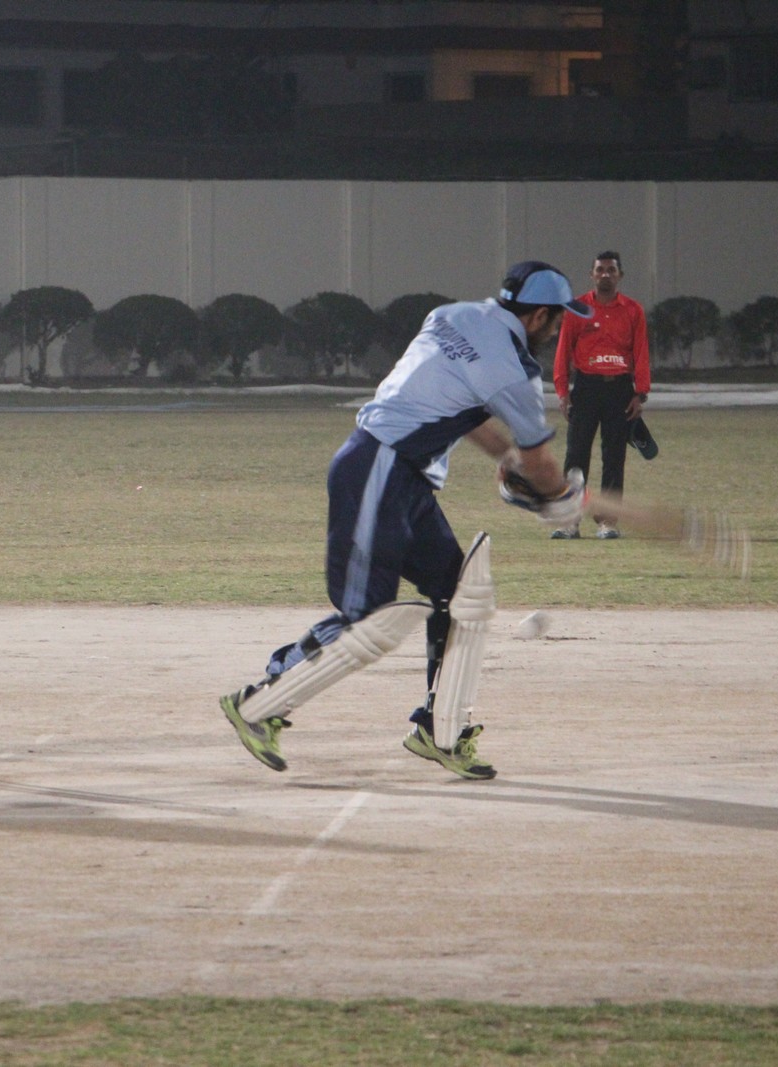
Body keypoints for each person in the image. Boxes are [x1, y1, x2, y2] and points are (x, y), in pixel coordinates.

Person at [219, 261, 589, 780]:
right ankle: (259, 702)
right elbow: (541, 463)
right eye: (557, 321)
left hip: (404, 477)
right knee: (366, 619)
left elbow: (462, 408)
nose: (556, 332)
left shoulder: (453, 316)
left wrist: (509, 461)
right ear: (540, 316)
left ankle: (441, 730)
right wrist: (560, 498)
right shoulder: (513, 370)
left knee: (460, 596)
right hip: (379, 465)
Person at [551, 250, 650, 539]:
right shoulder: (577, 309)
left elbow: (641, 352)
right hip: (586, 389)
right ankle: (569, 521)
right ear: (592, 275)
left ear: (620, 275)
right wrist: (562, 392)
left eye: (611, 270)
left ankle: (608, 522)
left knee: (614, 457)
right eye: (600, 270)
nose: (605, 274)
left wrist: (640, 393)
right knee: (576, 455)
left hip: (619, 390)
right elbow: (563, 351)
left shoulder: (633, 310)